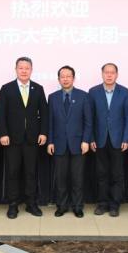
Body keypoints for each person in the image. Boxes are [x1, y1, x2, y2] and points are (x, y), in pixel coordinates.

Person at [0, 57, 48, 219]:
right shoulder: (7, 88)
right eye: (21, 68)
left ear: (31, 70)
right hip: (12, 139)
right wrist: (3, 133)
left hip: (32, 139)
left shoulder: (38, 88)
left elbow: (44, 113)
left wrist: (43, 132)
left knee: (31, 172)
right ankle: (13, 204)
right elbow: (0, 114)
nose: (24, 71)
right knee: (13, 172)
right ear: (16, 69)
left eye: (27, 68)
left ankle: (31, 203)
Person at [47, 66, 92, 218]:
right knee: (61, 178)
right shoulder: (52, 97)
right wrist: (50, 142)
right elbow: (50, 122)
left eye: (68, 76)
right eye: (62, 76)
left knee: (77, 178)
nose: (65, 79)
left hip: (78, 144)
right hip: (58, 144)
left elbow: (88, 121)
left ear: (73, 78)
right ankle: (62, 206)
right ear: (58, 79)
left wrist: (86, 140)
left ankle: (77, 206)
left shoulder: (83, 96)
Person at [88, 63, 128, 217]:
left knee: (117, 175)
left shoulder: (125, 92)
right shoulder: (93, 92)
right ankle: (102, 204)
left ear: (116, 75)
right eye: (106, 72)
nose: (109, 75)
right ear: (102, 74)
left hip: (118, 140)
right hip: (99, 139)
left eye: (112, 72)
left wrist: (126, 138)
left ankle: (114, 205)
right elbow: (90, 118)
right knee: (101, 174)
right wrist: (91, 138)